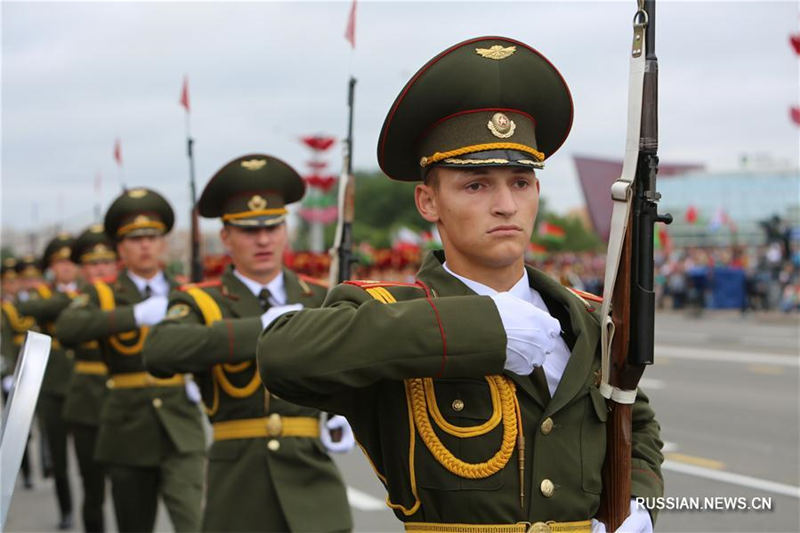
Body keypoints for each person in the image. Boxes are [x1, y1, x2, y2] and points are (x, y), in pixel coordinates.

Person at [256, 36, 663, 533]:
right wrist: (482, 328)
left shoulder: (589, 318)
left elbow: (634, 422)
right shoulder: (386, 311)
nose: (506, 205)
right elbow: (282, 356)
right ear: (428, 203)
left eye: (520, 182)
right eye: (476, 185)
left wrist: (637, 504)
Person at [143, 154, 353, 532]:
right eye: (248, 229)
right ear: (226, 236)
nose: (263, 239)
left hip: (311, 479)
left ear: (286, 230)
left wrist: (349, 411)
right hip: (237, 485)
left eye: (273, 226)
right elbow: (160, 350)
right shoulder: (201, 301)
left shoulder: (321, 297)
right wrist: (262, 326)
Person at [54, 188, 205, 533]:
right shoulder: (104, 292)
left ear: (163, 243)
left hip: (180, 427)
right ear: (121, 248)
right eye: (135, 239)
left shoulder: (186, 290)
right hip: (127, 429)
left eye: (152, 237)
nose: (145, 246)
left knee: (194, 523)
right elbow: (68, 327)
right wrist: (133, 315)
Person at [14, 235, 79, 530]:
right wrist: (72, 299)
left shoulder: (94, 291)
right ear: (51, 267)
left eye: (70, 261)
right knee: (59, 456)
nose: (66, 268)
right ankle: (66, 508)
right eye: (60, 262)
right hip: (53, 384)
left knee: (94, 458)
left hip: (85, 384)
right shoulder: (41, 293)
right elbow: (31, 310)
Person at [59, 224, 119, 532]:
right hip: (87, 403)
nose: (101, 270)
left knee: (129, 492)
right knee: (93, 490)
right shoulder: (76, 302)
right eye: (93, 264)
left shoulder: (129, 296)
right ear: (83, 268)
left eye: (107, 262)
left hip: (126, 405)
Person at [0, 256, 35, 490]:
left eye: (15, 282)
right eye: (7, 283)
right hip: (10, 370)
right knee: (15, 424)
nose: (12, 286)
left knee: (27, 424)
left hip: (30, 365)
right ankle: (22, 471)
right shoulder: (5, 308)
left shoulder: (27, 303)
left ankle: (30, 468)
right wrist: (7, 370)